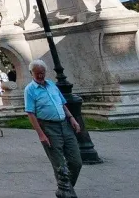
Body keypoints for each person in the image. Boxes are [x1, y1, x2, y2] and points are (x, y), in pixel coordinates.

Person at [24, 60, 82, 189]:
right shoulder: (30, 90)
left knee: (76, 162)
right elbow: (31, 113)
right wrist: (41, 135)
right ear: (31, 73)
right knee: (60, 166)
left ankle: (66, 188)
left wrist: (72, 118)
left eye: (42, 73)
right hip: (49, 128)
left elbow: (62, 103)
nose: (40, 76)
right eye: (37, 73)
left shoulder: (51, 85)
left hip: (65, 125)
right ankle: (66, 192)